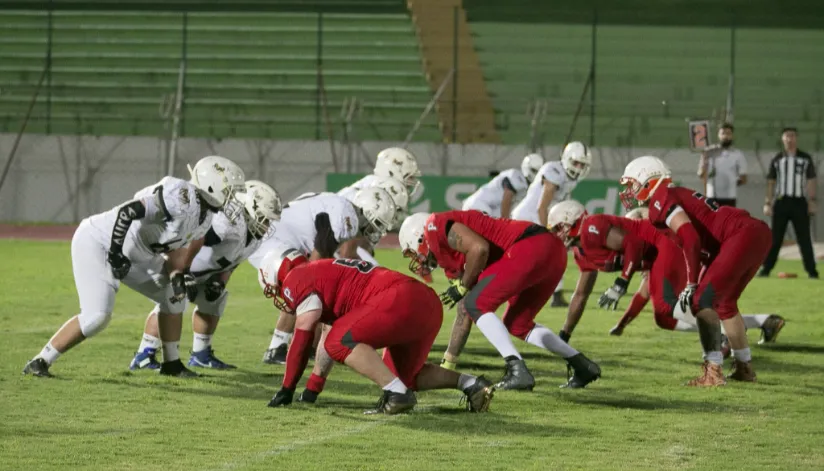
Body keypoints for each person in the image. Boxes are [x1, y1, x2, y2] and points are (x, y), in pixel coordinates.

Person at [23, 156, 246, 378]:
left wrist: (178, 276)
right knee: (97, 317)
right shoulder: (181, 197)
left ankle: (172, 365)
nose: (232, 198)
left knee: (174, 298)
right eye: (229, 191)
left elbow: (175, 250)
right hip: (99, 242)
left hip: (139, 254)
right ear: (211, 186)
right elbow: (128, 212)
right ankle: (40, 361)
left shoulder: (204, 215)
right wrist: (116, 253)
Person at [259, 247, 495, 414]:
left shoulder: (295, 279)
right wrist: (312, 389)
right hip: (426, 302)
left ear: (276, 276)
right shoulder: (320, 273)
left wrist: (287, 388)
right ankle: (471, 384)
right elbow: (326, 334)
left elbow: (303, 335)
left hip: (397, 299)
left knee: (338, 341)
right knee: (406, 376)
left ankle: (396, 394)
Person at [399, 210, 601, 390]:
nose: (415, 260)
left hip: (530, 244)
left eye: (411, 252)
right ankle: (582, 365)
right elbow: (464, 313)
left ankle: (517, 369)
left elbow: (479, 248)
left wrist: (462, 286)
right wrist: (448, 364)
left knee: (477, 304)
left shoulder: (436, 227)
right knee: (517, 324)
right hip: (552, 252)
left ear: (418, 237)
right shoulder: (451, 261)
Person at [620, 156, 771, 386]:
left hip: (739, 235)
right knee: (725, 303)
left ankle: (713, 372)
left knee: (701, 301)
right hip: (752, 234)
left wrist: (691, 283)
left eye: (632, 183)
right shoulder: (671, 194)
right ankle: (744, 367)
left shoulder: (660, 200)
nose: (630, 190)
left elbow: (690, 239)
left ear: (647, 179)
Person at [549, 203, 785, 349]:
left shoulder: (593, 227)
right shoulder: (581, 253)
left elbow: (632, 242)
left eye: (557, 227)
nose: (556, 234)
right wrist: (564, 336)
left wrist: (621, 283)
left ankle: (724, 333)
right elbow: (581, 295)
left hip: (664, 242)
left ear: (570, 219)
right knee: (664, 317)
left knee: (667, 305)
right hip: (659, 255)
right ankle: (758, 322)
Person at [129, 180, 282, 370]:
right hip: (177, 265)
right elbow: (196, 238)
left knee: (216, 299)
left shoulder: (254, 238)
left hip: (202, 273)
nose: (266, 225)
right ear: (251, 208)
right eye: (264, 218)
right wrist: (183, 272)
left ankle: (201, 354)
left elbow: (232, 262)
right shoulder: (229, 222)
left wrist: (220, 282)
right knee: (173, 300)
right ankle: (144, 354)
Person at [250, 188, 397, 365]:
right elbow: (316, 267)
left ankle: (310, 347)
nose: (375, 231)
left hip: (278, 242)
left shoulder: (338, 206)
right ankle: (277, 348)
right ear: (366, 211)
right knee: (307, 286)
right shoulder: (343, 213)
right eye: (376, 224)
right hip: (272, 245)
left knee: (318, 287)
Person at [512, 142, 593, 307]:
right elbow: (542, 206)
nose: (578, 168)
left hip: (539, 217)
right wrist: (549, 232)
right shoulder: (553, 171)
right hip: (528, 218)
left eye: (582, 164)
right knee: (532, 260)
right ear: (566, 159)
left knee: (553, 257)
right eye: (575, 162)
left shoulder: (567, 177)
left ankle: (554, 296)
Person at [760, 127, 819, 279]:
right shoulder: (778, 159)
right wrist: (768, 201)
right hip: (781, 202)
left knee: (804, 238)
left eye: (792, 136)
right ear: (782, 139)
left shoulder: (805, 158)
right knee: (775, 238)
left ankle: (812, 271)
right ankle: (766, 269)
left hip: (799, 202)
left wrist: (812, 200)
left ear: (796, 138)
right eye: (787, 136)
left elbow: (811, 180)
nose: (790, 139)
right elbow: (771, 182)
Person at [338, 175, 409, 266]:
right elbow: (345, 257)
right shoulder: (354, 205)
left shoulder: (364, 201)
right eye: (396, 209)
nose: (394, 214)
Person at [461, 154, 544, 219]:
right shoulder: (516, 176)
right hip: (479, 205)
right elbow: (507, 198)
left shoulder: (526, 185)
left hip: (485, 208)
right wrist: (506, 223)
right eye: (534, 170)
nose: (536, 174)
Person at [697, 123, 747, 207]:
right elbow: (701, 174)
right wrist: (704, 163)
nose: (725, 136)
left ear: (732, 135)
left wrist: (729, 183)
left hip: (729, 197)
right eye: (723, 133)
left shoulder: (738, 155)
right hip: (711, 196)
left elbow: (743, 178)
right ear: (718, 135)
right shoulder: (709, 152)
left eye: (728, 134)